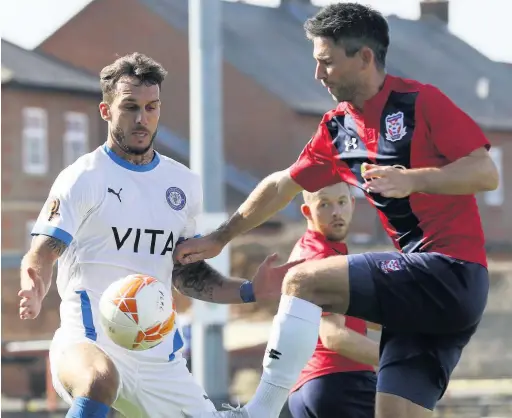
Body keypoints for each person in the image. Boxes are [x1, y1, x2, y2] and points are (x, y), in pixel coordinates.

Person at [175, 3, 499, 418]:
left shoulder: (420, 102)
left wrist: (415, 179)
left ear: (364, 57)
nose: (318, 74)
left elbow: (485, 172)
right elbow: (282, 184)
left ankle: (259, 411)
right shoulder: (337, 128)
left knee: (302, 281)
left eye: (326, 62)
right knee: (393, 412)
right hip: (421, 303)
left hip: (451, 273)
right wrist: (220, 237)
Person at [18, 52, 300, 418]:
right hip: (87, 343)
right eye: (130, 107)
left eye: (151, 108)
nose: (142, 119)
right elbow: (43, 250)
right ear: (106, 111)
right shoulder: (83, 177)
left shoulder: (182, 183)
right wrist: (34, 278)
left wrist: (248, 290)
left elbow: (186, 273)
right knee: (100, 380)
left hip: (158, 359)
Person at [287, 182, 379, 418]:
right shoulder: (323, 259)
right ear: (307, 211)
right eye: (325, 204)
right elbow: (332, 335)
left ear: (353, 204)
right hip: (342, 383)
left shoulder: (306, 249)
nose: (336, 212)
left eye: (341, 202)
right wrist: (398, 359)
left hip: (304, 391)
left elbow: (351, 316)